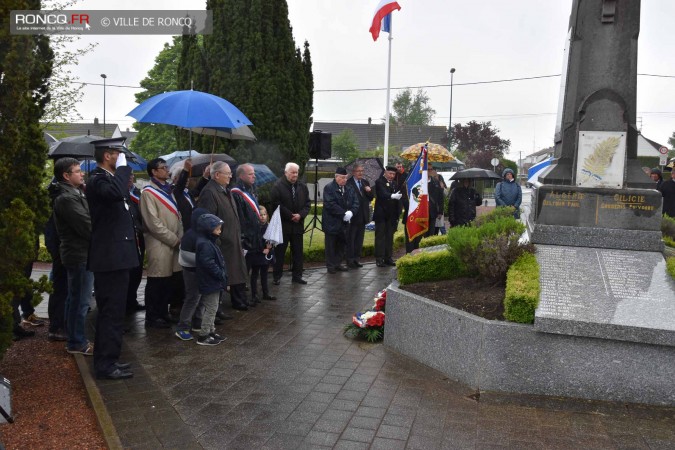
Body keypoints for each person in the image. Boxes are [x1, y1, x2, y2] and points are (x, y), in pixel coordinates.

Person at [86, 138, 138, 380]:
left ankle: (111, 359)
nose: (121, 158)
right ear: (108, 156)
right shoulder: (98, 179)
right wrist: (124, 169)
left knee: (116, 313)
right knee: (110, 313)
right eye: (119, 154)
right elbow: (117, 193)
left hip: (118, 257)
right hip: (110, 259)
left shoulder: (108, 180)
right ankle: (105, 365)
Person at [52, 157, 94, 356]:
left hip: (79, 253)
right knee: (80, 300)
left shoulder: (74, 192)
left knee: (75, 298)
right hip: (79, 255)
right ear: (66, 176)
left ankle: (74, 337)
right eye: (77, 171)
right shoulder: (67, 198)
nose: (82, 173)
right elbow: (86, 226)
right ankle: (77, 341)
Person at [198, 161, 250, 310]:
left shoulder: (225, 190)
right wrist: (217, 240)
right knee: (220, 276)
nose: (230, 176)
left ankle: (237, 301)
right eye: (227, 174)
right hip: (221, 243)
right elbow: (208, 220)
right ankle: (216, 309)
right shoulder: (209, 192)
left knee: (234, 272)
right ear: (217, 175)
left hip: (231, 240)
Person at [140, 158, 184, 329]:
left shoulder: (168, 190)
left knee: (169, 281)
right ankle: (153, 316)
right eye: (163, 168)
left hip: (174, 242)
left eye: (167, 167)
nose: (167, 170)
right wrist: (174, 239)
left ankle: (163, 313)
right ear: (154, 172)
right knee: (157, 281)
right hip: (159, 243)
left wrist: (180, 235)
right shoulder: (148, 193)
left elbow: (177, 216)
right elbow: (153, 224)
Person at [270, 162, 311, 284]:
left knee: (298, 252)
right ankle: (277, 277)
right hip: (283, 226)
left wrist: (300, 215)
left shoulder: (302, 187)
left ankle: (297, 276)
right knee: (280, 253)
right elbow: (276, 204)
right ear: (286, 172)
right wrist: (290, 215)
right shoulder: (277, 186)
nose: (295, 175)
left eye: (296, 172)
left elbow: (307, 204)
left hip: (298, 226)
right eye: (292, 172)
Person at [232, 163, 263, 306]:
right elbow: (241, 219)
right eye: (250, 174)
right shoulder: (236, 193)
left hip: (254, 238)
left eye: (253, 173)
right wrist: (245, 238)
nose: (254, 176)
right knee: (241, 270)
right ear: (241, 176)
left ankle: (248, 297)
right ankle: (239, 299)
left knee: (250, 270)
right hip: (246, 239)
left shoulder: (251, 191)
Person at [194, 213, 227, 346]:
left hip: (212, 281)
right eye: (217, 229)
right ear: (209, 229)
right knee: (211, 308)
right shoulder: (205, 244)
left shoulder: (208, 242)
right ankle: (204, 335)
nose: (219, 231)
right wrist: (220, 274)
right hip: (210, 281)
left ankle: (211, 331)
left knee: (213, 307)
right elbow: (208, 263)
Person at [322, 167, 359, 273]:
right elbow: (330, 204)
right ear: (336, 177)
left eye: (346, 178)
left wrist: (352, 212)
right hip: (332, 222)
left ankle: (338, 263)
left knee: (342, 244)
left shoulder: (349, 188)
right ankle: (331, 265)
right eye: (342, 178)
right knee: (331, 245)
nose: (345, 180)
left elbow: (356, 201)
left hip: (344, 223)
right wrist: (343, 214)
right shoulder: (329, 188)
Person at [44, 179, 68, 341]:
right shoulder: (59, 194)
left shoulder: (55, 191)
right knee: (60, 288)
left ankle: (58, 324)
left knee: (60, 287)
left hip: (58, 246)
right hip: (61, 247)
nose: (81, 173)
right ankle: (57, 326)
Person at [346, 163, 374, 268]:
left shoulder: (365, 182)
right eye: (358, 171)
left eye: (362, 171)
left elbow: (371, 197)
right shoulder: (348, 183)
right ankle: (350, 260)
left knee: (359, 239)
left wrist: (369, 191)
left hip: (363, 215)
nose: (360, 173)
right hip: (353, 216)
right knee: (351, 239)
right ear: (353, 172)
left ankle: (357, 259)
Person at [374, 166, 402, 267]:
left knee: (389, 237)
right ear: (385, 172)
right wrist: (392, 196)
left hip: (391, 215)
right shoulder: (379, 181)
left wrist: (398, 212)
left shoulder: (394, 183)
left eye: (393, 174)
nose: (392, 176)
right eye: (390, 173)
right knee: (380, 237)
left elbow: (399, 198)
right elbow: (382, 193)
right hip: (381, 214)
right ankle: (379, 258)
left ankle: (388, 257)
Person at [126, 172, 146, 315]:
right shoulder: (121, 194)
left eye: (132, 174)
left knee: (137, 272)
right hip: (128, 238)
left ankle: (132, 300)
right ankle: (125, 304)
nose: (131, 177)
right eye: (128, 175)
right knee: (128, 273)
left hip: (139, 236)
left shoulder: (137, 192)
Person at [247, 206, 276, 302]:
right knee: (255, 274)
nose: (262, 217)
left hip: (266, 255)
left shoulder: (269, 226)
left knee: (264, 274)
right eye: (260, 215)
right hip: (256, 254)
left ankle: (265, 293)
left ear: (267, 215)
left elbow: (272, 238)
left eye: (264, 214)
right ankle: (254, 295)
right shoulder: (255, 227)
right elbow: (254, 241)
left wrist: (270, 246)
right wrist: (261, 249)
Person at [427, 164, 444, 237]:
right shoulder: (419, 182)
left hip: (433, 212)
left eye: (431, 169)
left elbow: (440, 197)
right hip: (422, 212)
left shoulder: (436, 182)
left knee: (431, 233)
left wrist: (440, 211)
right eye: (428, 169)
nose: (430, 171)